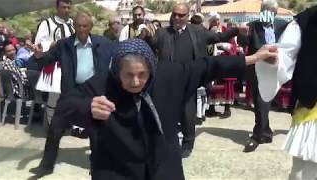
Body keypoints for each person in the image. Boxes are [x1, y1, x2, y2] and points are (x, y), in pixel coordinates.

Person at [57, 38, 277, 180]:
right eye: (128, 75)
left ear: (151, 69)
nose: (135, 82)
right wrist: (87, 107)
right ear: (116, 71)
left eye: (142, 74)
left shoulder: (168, 76)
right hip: (115, 169)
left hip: (164, 167)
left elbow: (209, 66)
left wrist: (254, 58)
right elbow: (66, 104)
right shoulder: (102, 84)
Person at [29, 12, 116, 177]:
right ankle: (46, 166)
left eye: (85, 26)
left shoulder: (103, 43)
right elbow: (47, 60)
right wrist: (39, 56)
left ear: (90, 27)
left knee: (96, 132)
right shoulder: (64, 44)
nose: (82, 30)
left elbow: (120, 56)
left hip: (94, 93)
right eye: (78, 26)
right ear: (74, 26)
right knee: (55, 129)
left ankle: (97, 165)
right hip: (70, 93)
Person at [155, 3, 246, 158]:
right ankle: (165, 141)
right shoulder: (162, 33)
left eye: (181, 15)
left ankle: (188, 143)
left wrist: (236, 30)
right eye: (175, 14)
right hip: (169, 78)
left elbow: (218, 37)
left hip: (190, 78)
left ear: (188, 16)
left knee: (187, 112)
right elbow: (149, 45)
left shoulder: (197, 31)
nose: (177, 18)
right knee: (166, 112)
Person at [255, 5, 317, 180]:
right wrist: (274, 60)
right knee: (304, 173)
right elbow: (285, 54)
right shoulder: (306, 20)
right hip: (312, 110)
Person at [243, 0, 289, 153]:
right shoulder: (252, 26)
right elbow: (244, 43)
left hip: (274, 69)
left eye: (274, 13)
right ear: (262, 11)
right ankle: (263, 133)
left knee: (263, 101)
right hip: (257, 69)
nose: (272, 15)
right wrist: (242, 34)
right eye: (269, 12)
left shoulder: (282, 25)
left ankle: (260, 134)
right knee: (260, 100)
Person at [34, 0, 75, 126]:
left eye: (68, 7)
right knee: (54, 95)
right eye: (63, 7)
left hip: (71, 64)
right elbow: (38, 44)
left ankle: (68, 123)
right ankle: (52, 126)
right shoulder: (47, 23)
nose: (66, 10)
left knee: (71, 95)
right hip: (54, 64)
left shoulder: (72, 23)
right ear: (57, 8)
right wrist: (55, 43)